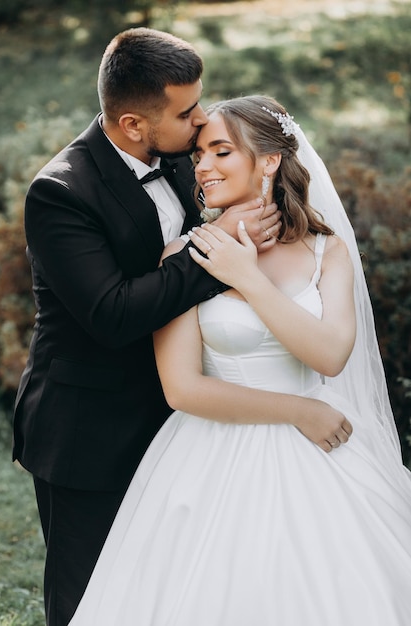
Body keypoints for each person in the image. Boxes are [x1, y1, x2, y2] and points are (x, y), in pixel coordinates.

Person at [12, 28, 329, 626]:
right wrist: (219, 255)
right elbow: (112, 314)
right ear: (134, 124)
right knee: (91, 603)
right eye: (187, 111)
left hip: (186, 424)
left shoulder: (185, 155)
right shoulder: (60, 193)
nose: (202, 119)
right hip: (90, 428)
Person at [67, 95, 411, 626]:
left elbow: (330, 354)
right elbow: (182, 388)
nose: (201, 167)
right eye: (200, 153)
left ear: (269, 160)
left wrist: (246, 275)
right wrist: (299, 411)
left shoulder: (327, 251)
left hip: (325, 454)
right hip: (215, 451)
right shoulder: (186, 255)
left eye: (221, 152)